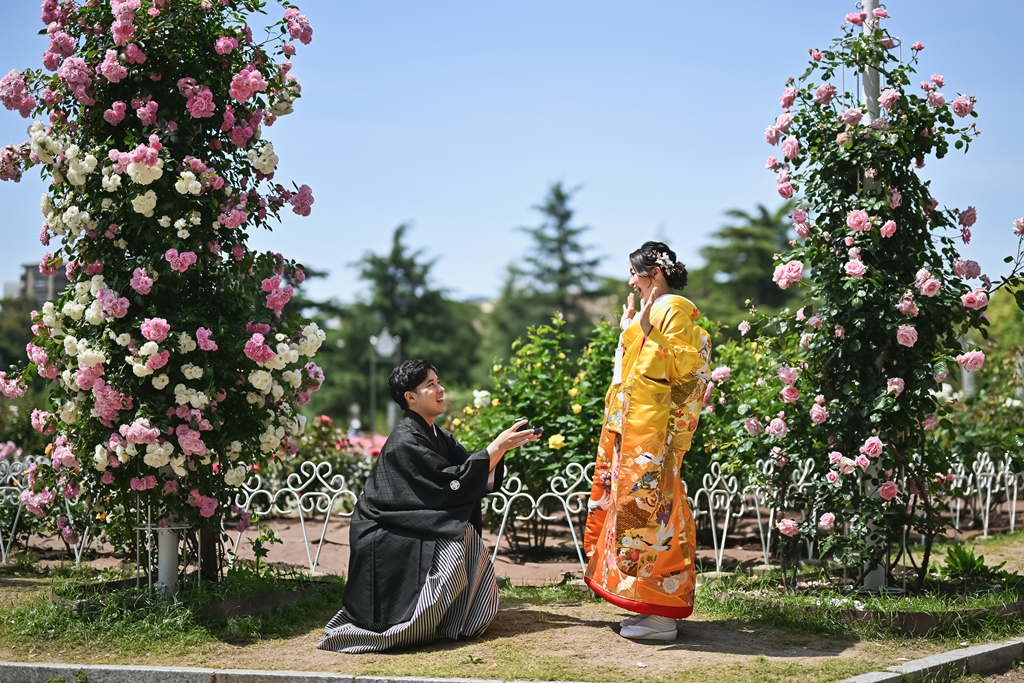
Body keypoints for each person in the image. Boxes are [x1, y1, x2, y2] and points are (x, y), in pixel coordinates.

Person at [318, 359, 540, 653]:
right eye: (430, 385)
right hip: (383, 531)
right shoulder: (405, 440)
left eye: (438, 382)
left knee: (463, 537)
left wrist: (501, 447)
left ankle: (454, 621)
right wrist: (496, 448)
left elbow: (462, 473)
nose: (441, 389)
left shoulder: (437, 435)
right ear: (410, 397)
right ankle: (417, 622)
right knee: (455, 541)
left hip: (408, 521)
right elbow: (450, 484)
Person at [583, 241, 712, 641]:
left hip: (653, 436)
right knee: (640, 512)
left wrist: (640, 333)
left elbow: (689, 369)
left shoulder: (669, 307)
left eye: (635, 273)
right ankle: (645, 601)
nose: (630, 281)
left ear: (655, 273)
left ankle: (661, 610)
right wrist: (630, 335)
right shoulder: (653, 310)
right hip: (640, 431)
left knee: (654, 513)